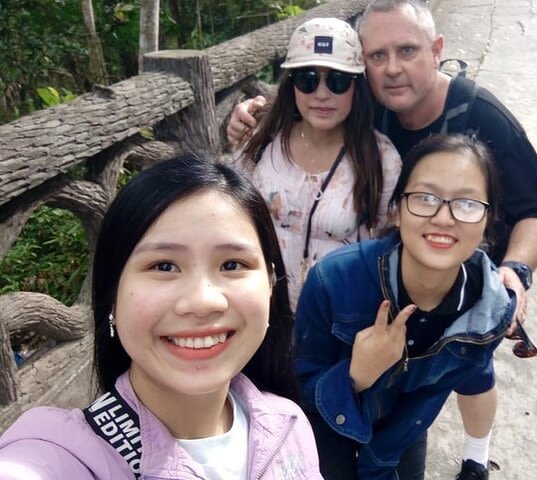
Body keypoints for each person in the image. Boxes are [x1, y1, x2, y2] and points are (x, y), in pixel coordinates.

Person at [228, 2, 537, 477]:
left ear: (437, 50)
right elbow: (311, 87)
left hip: (419, 298)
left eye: (406, 50)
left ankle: (476, 454)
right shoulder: (361, 114)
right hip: (289, 316)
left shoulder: (480, 119)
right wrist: (252, 112)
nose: (392, 68)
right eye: (377, 55)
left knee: (443, 382)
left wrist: (515, 271)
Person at [0, 154, 323, 480]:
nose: (203, 301)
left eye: (232, 265)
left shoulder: (287, 425)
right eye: (164, 266)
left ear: (269, 283)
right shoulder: (63, 456)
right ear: (112, 296)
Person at [295, 135, 528, 480]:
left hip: (405, 428)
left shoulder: (489, 310)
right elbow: (302, 389)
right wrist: (356, 375)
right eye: (425, 198)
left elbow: (476, 379)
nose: (444, 218)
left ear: (488, 221)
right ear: (397, 209)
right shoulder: (334, 280)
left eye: (466, 203)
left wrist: (475, 458)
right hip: (329, 423)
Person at [233, 17, 402, 309]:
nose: (322, 94)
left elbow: (389, 245)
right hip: (261, 311)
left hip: (337, 318)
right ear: (292, 85)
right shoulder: (260, 142)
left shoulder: (381, 160)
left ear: (356, 87)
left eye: (337, 80)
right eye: (307, 79)